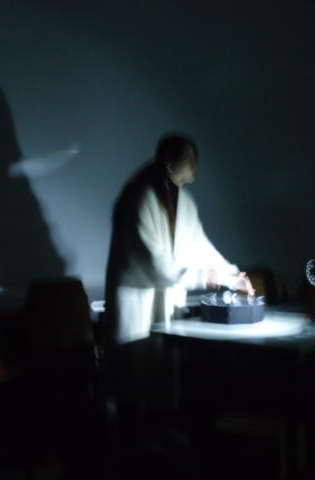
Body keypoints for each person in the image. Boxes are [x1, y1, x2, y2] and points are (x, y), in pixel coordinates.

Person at [103, 134, 254, 454]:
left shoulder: (184, 202)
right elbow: (150, 258)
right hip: (137, 300)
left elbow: (200, 246)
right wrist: (204, 276)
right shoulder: (140, 195)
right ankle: (132, 445)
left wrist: (231, 275)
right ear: (171, 161)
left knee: (160, 371)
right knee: (135, 372)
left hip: (164, 300)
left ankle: (159, 434)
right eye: (189, 157)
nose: (195, 163)